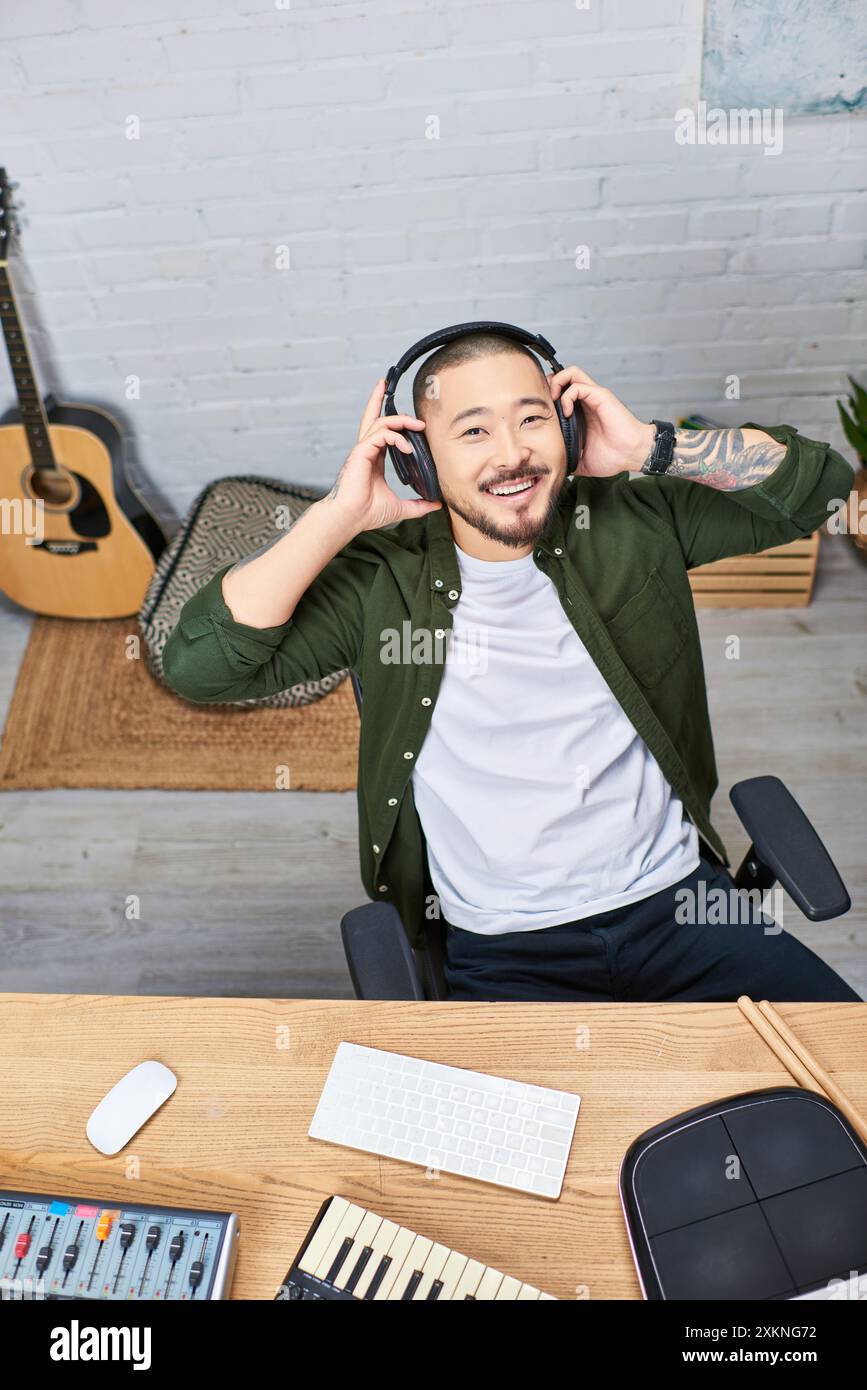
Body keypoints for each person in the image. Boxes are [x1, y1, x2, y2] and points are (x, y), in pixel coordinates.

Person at [162, 328, 860, 1003]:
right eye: (472, 431)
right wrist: (339, 516)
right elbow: (199, 666)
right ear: (418, 458)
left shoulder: (631, 517)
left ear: (570, 429)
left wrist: (652, 446)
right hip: (504, 948)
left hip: (681, 906)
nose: (512, 455)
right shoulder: (379, 578)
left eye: (532, 420)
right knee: (540, 1126)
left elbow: (825, 492)